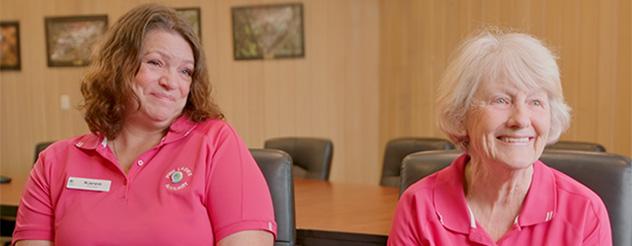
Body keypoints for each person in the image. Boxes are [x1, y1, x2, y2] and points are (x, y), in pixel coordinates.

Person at [13, 4, 276, 245]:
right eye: (155, 63)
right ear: (119, 66)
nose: (171, 82)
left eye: (185, 71)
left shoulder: (215, 142)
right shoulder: (53, 163)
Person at [388, 29, 612, 245]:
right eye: (501, 100)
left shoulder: (584, 212)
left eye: (535, 102)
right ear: (461, 113)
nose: (521, 119)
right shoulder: (418, 206)